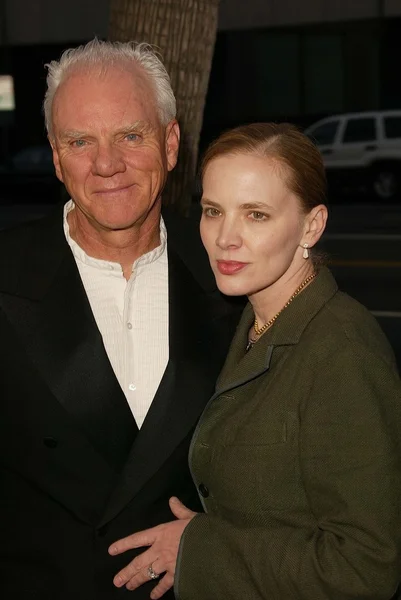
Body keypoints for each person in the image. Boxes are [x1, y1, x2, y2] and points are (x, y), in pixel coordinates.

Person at [109, 123, 401, 600]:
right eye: (212, 211)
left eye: (257, 215)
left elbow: (365, 568)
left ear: (312, 224)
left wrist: (197, 549)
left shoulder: (342, 352)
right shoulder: (244, 321)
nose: (226, 238)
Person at [0, 40, 241, 600]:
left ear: (172, 143)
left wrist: (219, 546)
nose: (106, 164)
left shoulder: (234, 278)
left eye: (131, 135)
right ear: (57, 159)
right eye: (80, 141)